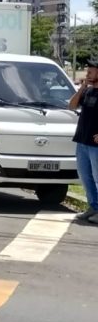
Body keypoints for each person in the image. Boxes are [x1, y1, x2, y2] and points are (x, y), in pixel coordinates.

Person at [69, 59, 98, 223]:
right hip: (82, 142)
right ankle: (93, 207)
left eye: (90, 72)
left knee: (97, 177)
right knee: (85, 176)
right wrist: (81, 89)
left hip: (96, 146)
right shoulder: (87, 92)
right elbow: (71, 106)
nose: (87, 74)